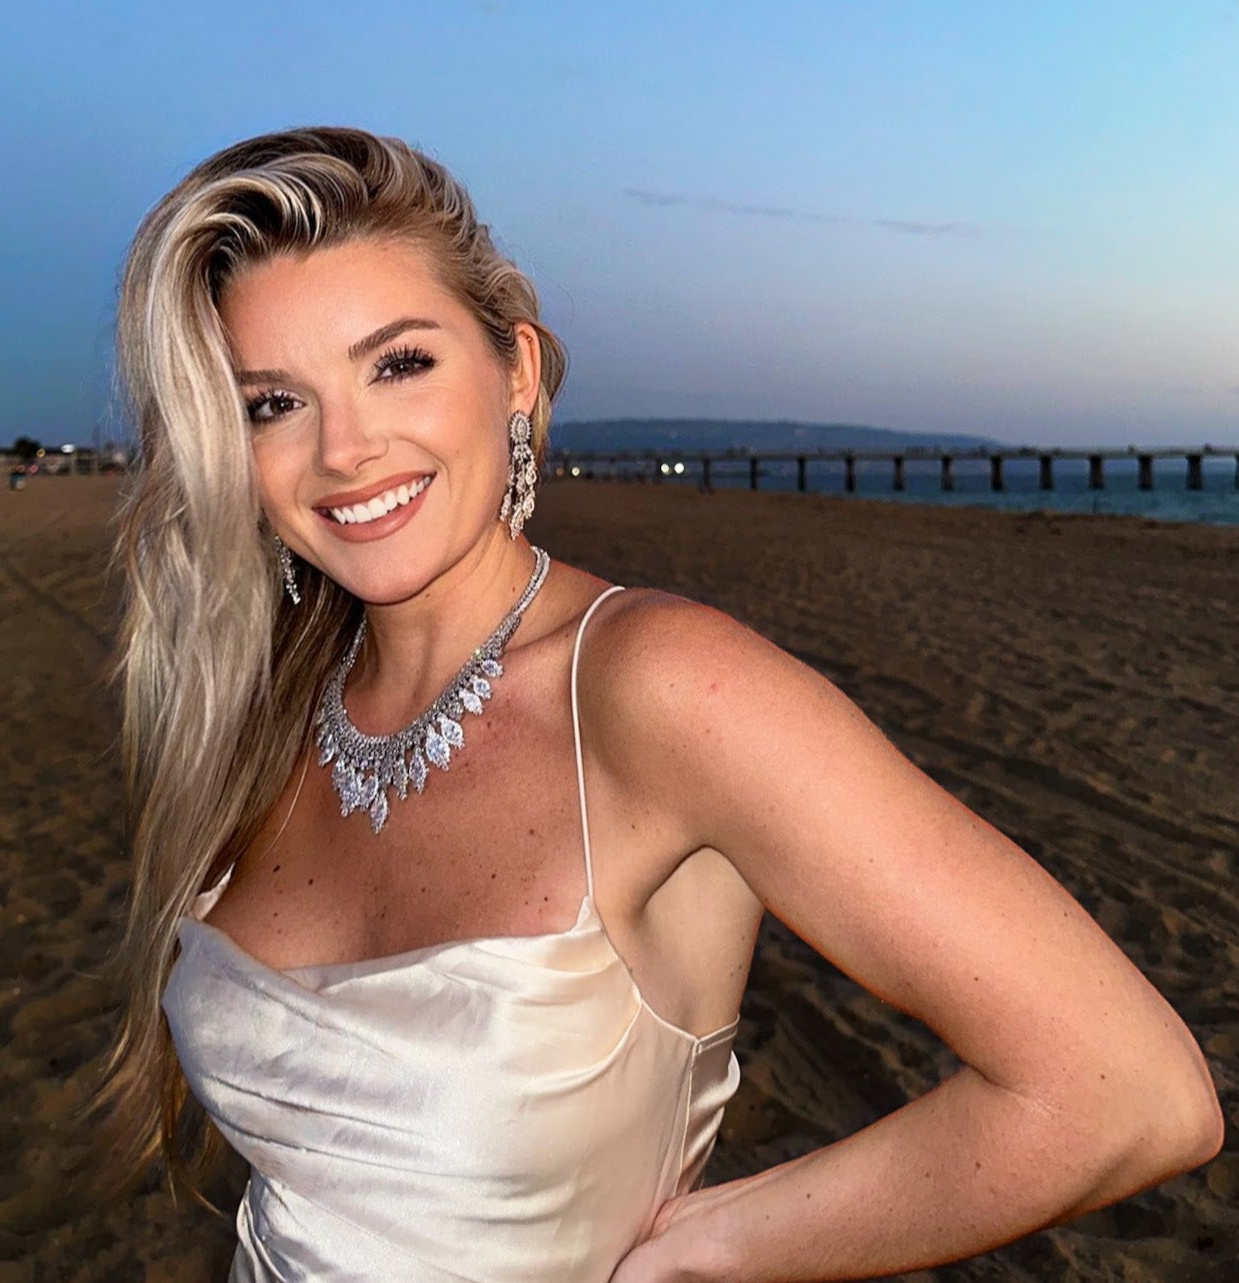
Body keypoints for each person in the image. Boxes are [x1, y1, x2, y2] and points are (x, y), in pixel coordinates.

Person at [95, 126, 1221, 1282]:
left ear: (516, 371)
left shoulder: (657, 686)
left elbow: (1123, 1091)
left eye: (398, 364)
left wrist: (708, 1252)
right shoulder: (267, 707)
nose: (344, 447)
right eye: (273, 402)